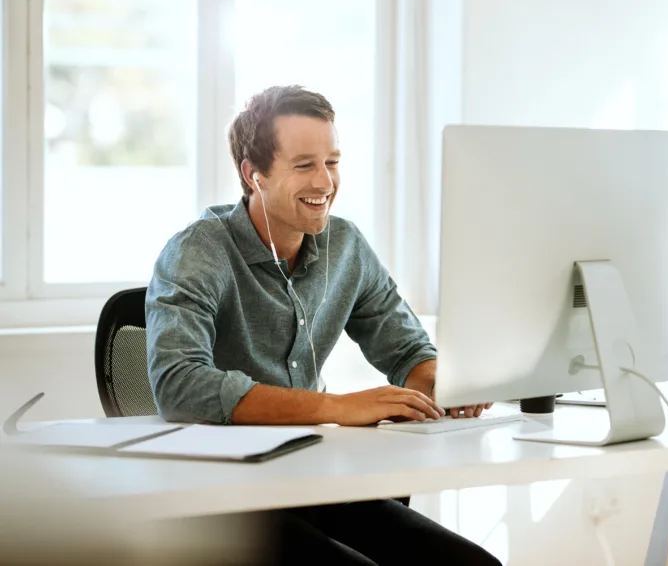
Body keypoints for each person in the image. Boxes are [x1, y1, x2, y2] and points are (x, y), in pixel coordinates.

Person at [146, 84, 500, 565]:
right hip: (219, 497)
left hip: (313, 477)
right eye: (304, 165)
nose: (325, 182)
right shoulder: (197, 253)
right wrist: (337, 406)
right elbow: (179, 385)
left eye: (332, 162)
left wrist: (446, 384)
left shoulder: (347, 246)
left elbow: (408, 352)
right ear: (255, 175)